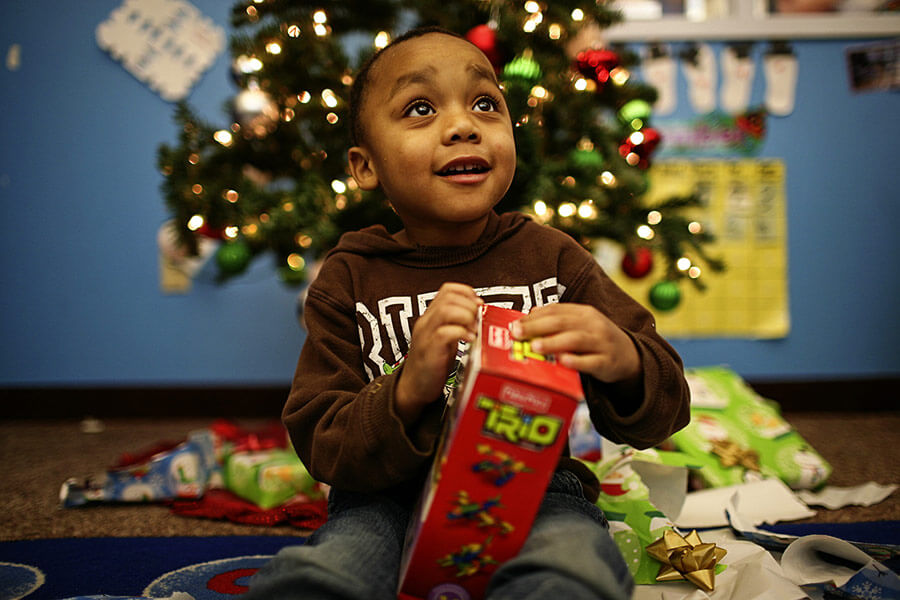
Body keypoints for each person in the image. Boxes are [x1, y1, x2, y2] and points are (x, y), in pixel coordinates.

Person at [245, 26, 690, 600]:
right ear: (364, 166)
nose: (462, 125)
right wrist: (404, 391)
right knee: (326, 575)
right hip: (381, 497)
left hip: (535, 488)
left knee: (575, 566)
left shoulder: (553, 257)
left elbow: (666, 410)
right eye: (421, 108)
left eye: (485, 103)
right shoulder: (349, 275)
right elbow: (321, 440)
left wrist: (626, 361)